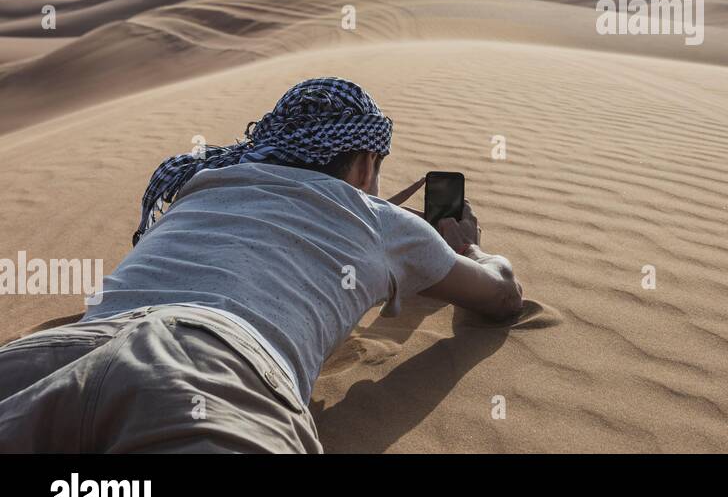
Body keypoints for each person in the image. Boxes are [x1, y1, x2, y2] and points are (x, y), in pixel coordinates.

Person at [0, 77, 523, 453]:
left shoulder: (199, 187)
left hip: (51, 357)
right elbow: (501, 297)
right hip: (205, 372)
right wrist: (463, 248)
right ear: (366, 163)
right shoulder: (386, 222)